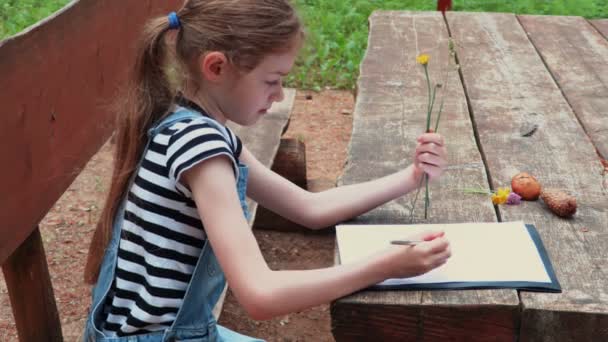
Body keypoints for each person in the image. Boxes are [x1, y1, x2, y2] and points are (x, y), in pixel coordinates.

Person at [82, 0, 451, 340]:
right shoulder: (201, 149)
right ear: (216, 67)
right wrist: (386, 266)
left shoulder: (187, 123)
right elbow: (260, 295)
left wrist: (410, 177)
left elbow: (310, 208)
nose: (278, 95)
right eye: (272, 81)